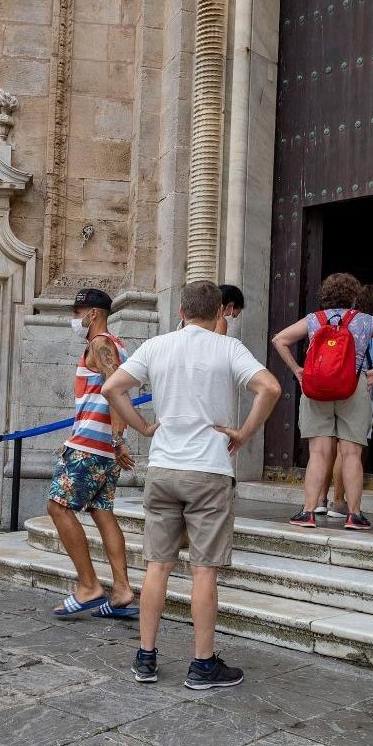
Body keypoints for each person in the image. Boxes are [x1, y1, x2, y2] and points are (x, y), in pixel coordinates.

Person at [104, 281, 282, 689]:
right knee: (204, 571)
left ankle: (145, 657)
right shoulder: (229, 349)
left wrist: (145, 427)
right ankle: (202, 665)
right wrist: (244, 434)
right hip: (209, 470)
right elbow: (269, 388)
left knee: (157, 566)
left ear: (182, 311)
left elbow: (112, 387)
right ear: (220, 311)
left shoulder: (157, 346)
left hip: (164, 466)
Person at [271, 272, 373, 531]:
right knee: (352, 453)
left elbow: (280, 340)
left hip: (317, 388)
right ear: (355, 296)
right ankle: (354, 515)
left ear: (325, 296)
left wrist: (297, 370)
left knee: (319, 453)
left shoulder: (314, 320)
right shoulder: (364, 321)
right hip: (353, 387)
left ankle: (308, 512)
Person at [45, 288, 139, 619]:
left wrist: (116, 439)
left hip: (92, 447)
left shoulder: (99, 344)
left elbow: (113, 390)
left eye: (77, 312)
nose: (74, 319)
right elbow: (114, 392)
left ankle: (89, 586)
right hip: (99, 445)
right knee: (102, 512)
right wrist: (116, 440)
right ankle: (122, 590)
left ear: (93, 314)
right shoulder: (119, 345)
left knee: (56, 506)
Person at [328, 284, 373, 516]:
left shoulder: (341, 324)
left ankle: (330, 500)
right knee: (352, 449)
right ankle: (346, 504)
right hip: (359, 393)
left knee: (335, 447)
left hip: (333, 388)